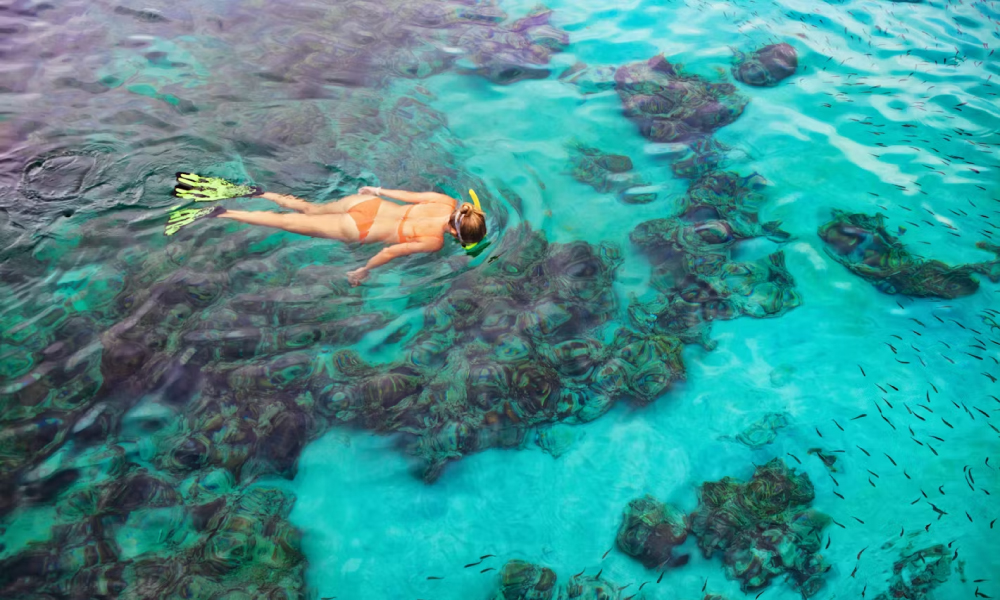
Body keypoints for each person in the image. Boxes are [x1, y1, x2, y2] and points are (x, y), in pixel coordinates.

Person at [172, 182, 487, 286]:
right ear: (457, 236)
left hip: (366, 202)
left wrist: (375, 189)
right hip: (360, 229)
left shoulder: (445, 201)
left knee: (308, 208)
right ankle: (221, 212)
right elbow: (391, 252)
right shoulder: (433, 242)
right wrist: (364, 270)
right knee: (286, 224)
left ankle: (258, 192)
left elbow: (407, 196)